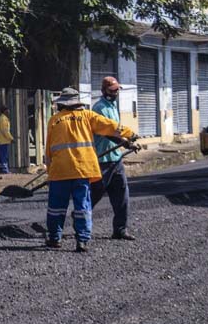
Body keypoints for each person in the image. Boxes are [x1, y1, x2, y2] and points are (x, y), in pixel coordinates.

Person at [44, 87, 138, 253]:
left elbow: (49, 151)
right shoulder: (88, 117)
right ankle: (82, 240)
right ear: (77, 104)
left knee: (56, 207)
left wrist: (50, 171)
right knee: (83, 206)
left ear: (62, 105)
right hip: (82, 169)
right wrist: (129, 134)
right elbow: (110, 126)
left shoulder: (54, 120)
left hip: (60, 171)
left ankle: (54, 238)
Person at [90, 76, 135, 240]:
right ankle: (80, 218)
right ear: (104, 91)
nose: (116, 93)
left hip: (115, 159)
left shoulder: (113, 106)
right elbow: (107, 132)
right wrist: (125, 143)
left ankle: (120, 230)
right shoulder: (99, 108)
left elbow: (117, 130)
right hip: (102, 160)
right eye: (112, 90)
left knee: (122, 196)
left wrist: (127, 141)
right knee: (94, 195)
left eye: (117, 90)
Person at [0, 105, 14, 174]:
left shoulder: (1, 118)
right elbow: (5, 130)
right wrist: (11, 138)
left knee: (1, 155)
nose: (8, 111)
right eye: (7, 110)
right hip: (3, 140)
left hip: (0, 140)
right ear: (4, 111)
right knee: (4, 155)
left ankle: (1, 169)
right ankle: (5, 169)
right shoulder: (4, 119)